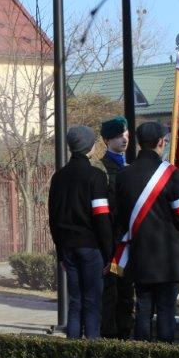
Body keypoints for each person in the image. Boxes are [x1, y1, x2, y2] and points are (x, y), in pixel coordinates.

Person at [113, 121, 179, 342]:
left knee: (143, 310)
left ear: (139, 143)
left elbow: (119, 218)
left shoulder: (123, 175)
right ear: (160, 142)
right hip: (168, 257)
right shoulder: (171, 173)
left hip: (139, 256)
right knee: (167, 312)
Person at [48, 125, 114, 339]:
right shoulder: (95, 176)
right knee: (92, 302)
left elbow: (53, 218)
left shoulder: (58, 178)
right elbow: (102, 217)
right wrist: (109, 252)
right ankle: (92, 351)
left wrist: (60, 253)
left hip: (67, 247)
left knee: (75, 302)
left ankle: (72, 351)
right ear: (90, 147)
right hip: (91, 247)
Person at [95, 115, 135, 338]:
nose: (124, 139)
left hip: (129, 241)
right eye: (118, 136)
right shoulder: (102, 169)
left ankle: (125, 332)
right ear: (106, 140)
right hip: (115, 244)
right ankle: (112, 335)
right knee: (113, 291)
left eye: (126, 135)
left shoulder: (128, 167)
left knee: (127, 291)